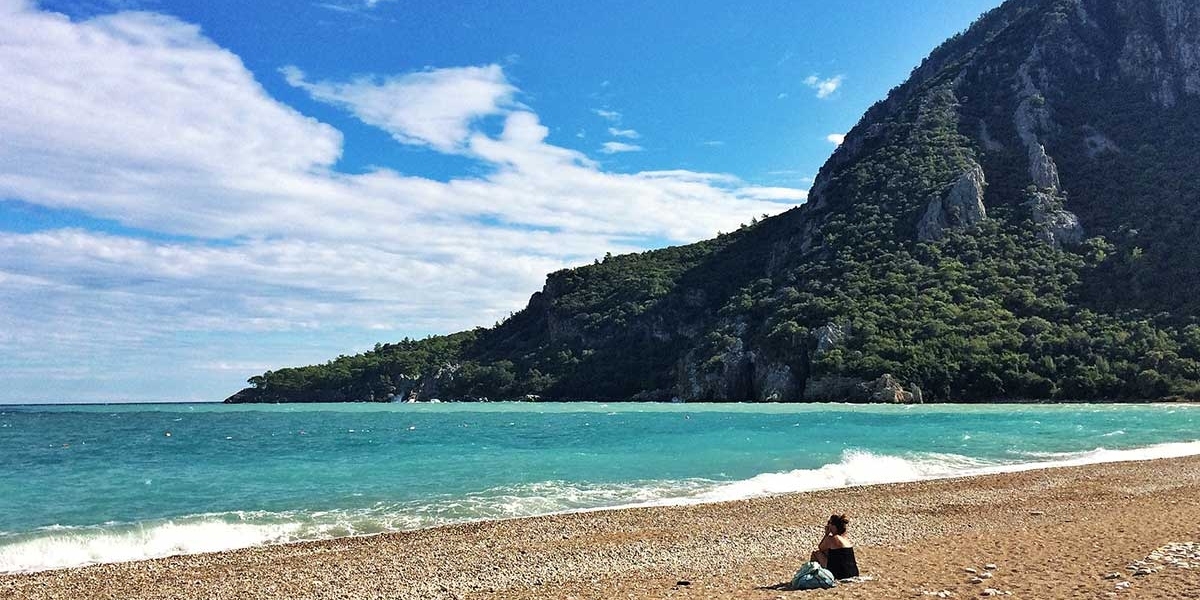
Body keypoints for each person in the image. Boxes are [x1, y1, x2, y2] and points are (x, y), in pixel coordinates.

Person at [811, 514, 859, 580]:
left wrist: (826, 534)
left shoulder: (832, 538)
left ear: (833, 526)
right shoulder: (845, 538)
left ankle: (812, 575)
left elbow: (820, 547)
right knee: (828, 553)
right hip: (853, 572)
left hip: (839, 574)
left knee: (816, 553)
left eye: (829, 523)